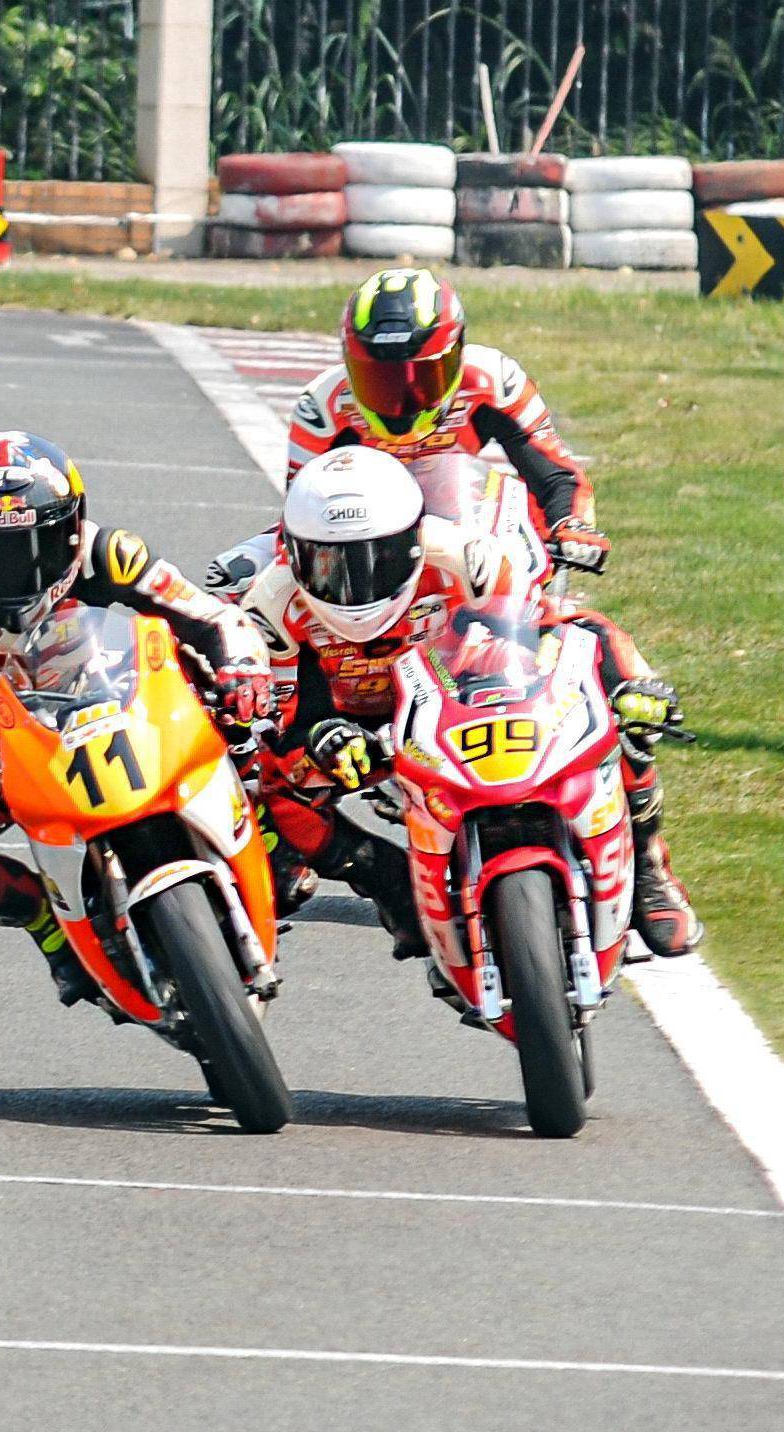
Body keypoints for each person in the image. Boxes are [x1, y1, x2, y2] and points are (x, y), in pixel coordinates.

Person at [255, 267, 699, 954]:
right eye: (382, 379)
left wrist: (569, 528)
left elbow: (553, 470)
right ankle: (326, 851)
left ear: (456, 357)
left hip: (470, 545)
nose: (402, 399)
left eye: (420, 377)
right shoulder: (324, 409)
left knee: (594, 663)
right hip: (367, 544)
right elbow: (304, 510)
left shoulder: (494, 380)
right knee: (272, 720)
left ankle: (646, 862)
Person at [0, 430, 275, 1003]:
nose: (16, 571)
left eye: (37, 545)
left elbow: (213, 619)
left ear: (74, 528)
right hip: (3, 755)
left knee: (270, 730)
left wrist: (242, 671)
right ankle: (45, 921)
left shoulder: (111, 553)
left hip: (128, 709)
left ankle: (268, 843)